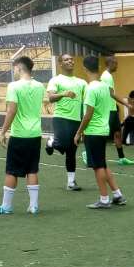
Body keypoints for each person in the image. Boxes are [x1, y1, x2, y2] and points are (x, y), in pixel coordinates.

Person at [0, 56, 46, 215]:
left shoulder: (14, 86)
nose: (14, 72)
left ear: (19, 68)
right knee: (32, 170)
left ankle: (6, 206)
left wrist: (2, 132)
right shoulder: (40, 86)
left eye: (14, 69)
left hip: (20, 134)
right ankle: (33, 205)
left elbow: (12, 110)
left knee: (12, 171)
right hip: (35, 133)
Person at [76, 57, 127, 210]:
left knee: (98, 167)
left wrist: (79, 132)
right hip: (103, 130)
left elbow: (88, 114)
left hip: (93, 131)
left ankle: (104, 199)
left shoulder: (91, 88)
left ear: (85, 68)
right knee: (103, 164)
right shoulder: (105, 86)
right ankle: (117, 194)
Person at [45, 52, 86, 191]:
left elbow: (85, 103)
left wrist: (84, 125)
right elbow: (50, 98)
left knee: (71, 150)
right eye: (66, 59)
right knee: (62, 144)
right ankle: (51, 141)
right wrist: (63, 94)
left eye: (71, 59)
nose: (70, 61)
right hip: (61, 117)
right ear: (60, 64)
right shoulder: (55, 80)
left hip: (76, 119)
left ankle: (71, 182)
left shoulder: (82, 82)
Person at [101, 55, 134, 165]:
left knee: (117, 133)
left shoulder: (108, 76)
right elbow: (112, 94)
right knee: (102, 135)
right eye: (115, 63)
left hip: (112, 109)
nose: (117, 65)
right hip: (108, 110)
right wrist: (126, 104)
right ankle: (88, 153)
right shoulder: (107, 77)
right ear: (109, 64)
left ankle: (121, 158)